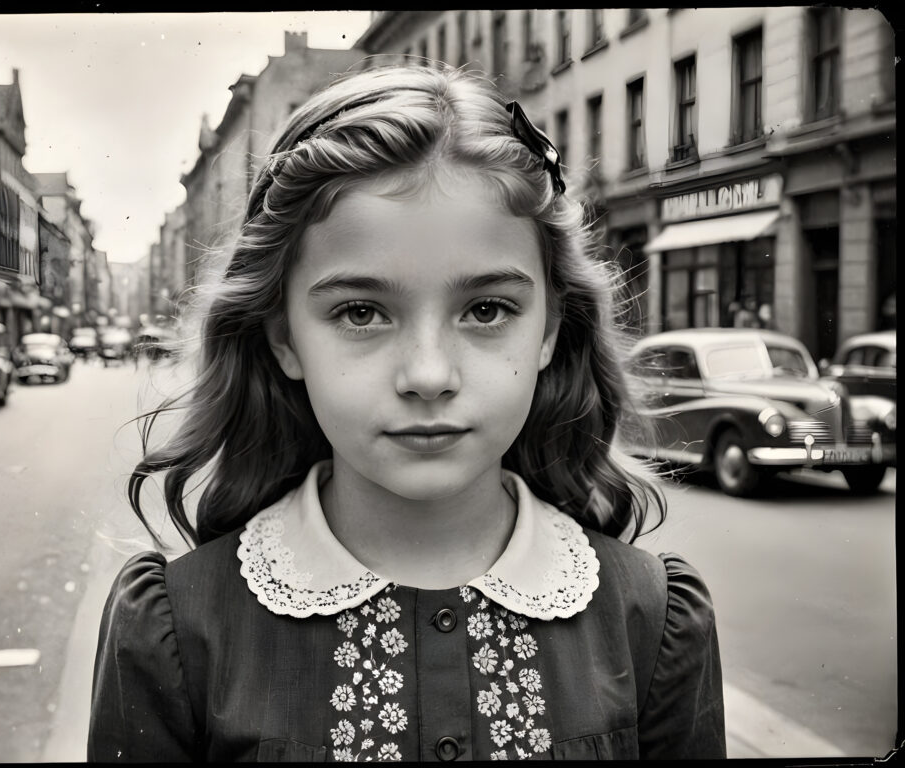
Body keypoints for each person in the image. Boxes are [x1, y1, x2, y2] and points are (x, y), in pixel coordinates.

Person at [88, 65, 726, 762]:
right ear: (283, 336)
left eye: (487, 310)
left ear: (548, 329)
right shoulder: (176, 630)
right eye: (360, 312)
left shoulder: (653, 619)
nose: (428, 375)